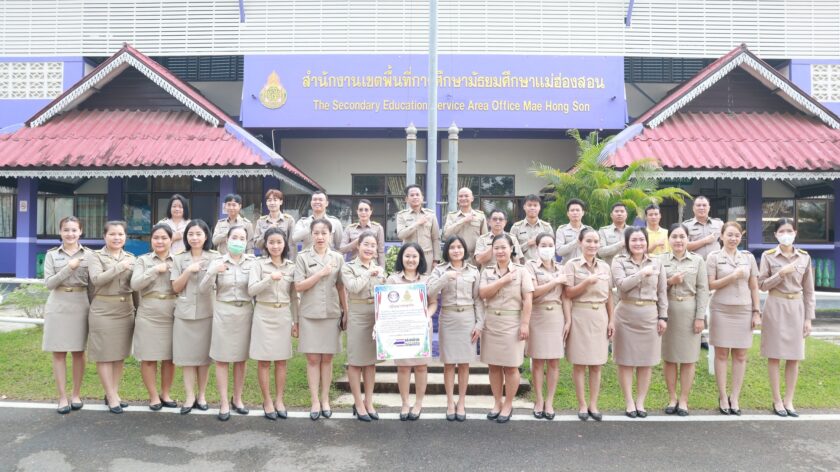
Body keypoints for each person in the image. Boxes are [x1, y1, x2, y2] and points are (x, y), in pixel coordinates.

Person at [758, 218, 815, 418]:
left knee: (794, 356)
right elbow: (762, 285)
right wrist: (780, 274)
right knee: (774, 355)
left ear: (795, 232)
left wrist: (808, 318)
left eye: (789, 230)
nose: (786, 234)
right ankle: (777, 400)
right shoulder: (768, 256)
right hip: (776, 305)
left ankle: (789, 400)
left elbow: (809, 291)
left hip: (796, 308)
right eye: (781, 231)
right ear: (775, 235)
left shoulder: (804, 257)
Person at [611, 227, 668, 418]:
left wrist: (663, 317)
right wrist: (641, 274)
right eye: (634, 240)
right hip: (626, 315)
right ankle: (629, 402)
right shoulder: (619, 261)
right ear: (627, 243)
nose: (638, 243)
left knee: (646, 361)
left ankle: (640, 402)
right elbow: (622, 285)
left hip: (650, 315)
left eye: (642, 239)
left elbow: (662, 292)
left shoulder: (657, 262)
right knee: (625, 361)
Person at [294, 218, 347, 421]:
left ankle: (325, 399)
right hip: (309, 313)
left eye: (324, 233)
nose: (320, 237)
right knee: (313, 359)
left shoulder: (338, 258)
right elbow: (299, 286)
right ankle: (315, 400)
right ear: (311, 235)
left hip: (331, 313)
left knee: (327, 359)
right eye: (316, 233)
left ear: (330, 235)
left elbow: (341, 286)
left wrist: (346, 311)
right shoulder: (302, 257)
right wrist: (320, 273)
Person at [201, 225, 255, 421]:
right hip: (223, 312)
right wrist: (212, 271)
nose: (238, 241)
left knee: (241, 359)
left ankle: (237, 399)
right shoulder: (217, 261)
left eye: (242, 238)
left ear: (246, 242)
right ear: (227, 239)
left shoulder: (253, 262)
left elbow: (256, 289)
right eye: (234, 237)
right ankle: (224, 402)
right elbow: (202, 289)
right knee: (222, 359)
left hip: (245, 313)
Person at [478, 233, 534, 424]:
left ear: (511, 249)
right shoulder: (487, 271)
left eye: (504, 247)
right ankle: (497, 402)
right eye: (497, 248)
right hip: (491, 322)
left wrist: (525, 324)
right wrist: (502, 280)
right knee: (493, 366)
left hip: (513, 323)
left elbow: (528, 299)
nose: (500, 251)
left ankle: (508, 403)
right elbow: (483, 293)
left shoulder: (522, 271)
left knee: (511, 367)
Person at [706, 221, 760, 416]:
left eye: (737, 235)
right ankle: (722, 396)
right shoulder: (713, 257)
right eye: (729, 235)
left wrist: (756, 311)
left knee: (740, 355)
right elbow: (710, 284)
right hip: (721, 309)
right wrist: (733, 276)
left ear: (741, 236)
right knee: (721, 354)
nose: (733, 238)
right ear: (722, 236)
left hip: (744, 310)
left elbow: (754, 286)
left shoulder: (748, 257)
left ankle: (735, 397)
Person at [428, 235, 484, 422]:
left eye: (459, 247)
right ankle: (450, 402)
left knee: (465, 363)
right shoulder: (439, 270)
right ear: (447, 250)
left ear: (464, 249)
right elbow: (429, 292)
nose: (456, 250)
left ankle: (461, 402)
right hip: (448, 319)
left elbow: (478, 299)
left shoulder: (473, 271)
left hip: (467, 319)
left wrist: (479, 324)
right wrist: (445, 278)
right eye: (452, 247)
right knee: (449, 363)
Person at [562, 228, 614, 421]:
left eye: (595, 241)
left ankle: (593, 404)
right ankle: (582, 404)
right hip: (579, 315)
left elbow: (609, 296)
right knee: (579, 363)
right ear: (580, 242)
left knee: (597, 364)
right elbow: (567, 293)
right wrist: (586, 282)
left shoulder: (605, 267)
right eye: (588, 241)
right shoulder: (572, 265)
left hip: (600, 316)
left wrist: (611, 320)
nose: (592, 245)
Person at [248, 227, 299, 420]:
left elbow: (294, 297)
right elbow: (251, 290)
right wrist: (269, 278)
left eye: (279, 242)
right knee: (263, 361)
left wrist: (296, 321)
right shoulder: (258, 264)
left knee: (281, 360)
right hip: (263, 313)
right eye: (271, 242)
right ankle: (267, 400)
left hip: (283, 314)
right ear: (266, 245)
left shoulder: (291, 267)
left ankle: (279, 400)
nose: (275, 246)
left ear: (284, 244)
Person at [659, 224, 709, 416]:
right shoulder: (660, 260)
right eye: (674, 236)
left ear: (688, 239)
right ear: (669, 239)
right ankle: (672, 398)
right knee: (670, 358)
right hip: (668, 311)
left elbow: (703, 289)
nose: (678, 240)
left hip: (689, 311)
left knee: (689, 359)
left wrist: (700, 317)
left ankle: (684, 400)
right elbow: (654, 287)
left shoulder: (697, 260)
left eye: (682, 236)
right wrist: (670, 282)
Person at [42, 216, 91, 414]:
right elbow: (49, 283)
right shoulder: (52, 255)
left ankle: (76, 394)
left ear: (80, 232)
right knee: (59, 352)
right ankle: (62, 397)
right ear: (60, 232)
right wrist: (68, 268)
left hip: (81, 304)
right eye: (66, 230)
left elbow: (94, 283)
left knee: (79, 352)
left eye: (74, 230)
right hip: (58, 304)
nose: (70, 234)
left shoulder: (89, 255)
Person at [86, 220, 136, 414]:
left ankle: (113, 393)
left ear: (126, 236)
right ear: (104, 236)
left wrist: (139, 310)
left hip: (125, 310)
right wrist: (119, 267)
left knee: (119, 355)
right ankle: (111, 395)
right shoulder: (95, 256)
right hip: (103, 310)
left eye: (120, 234)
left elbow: (135, 288)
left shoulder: (131, 257)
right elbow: (97, 279)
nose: (117, 238)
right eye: (112, 234)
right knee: (105, 355)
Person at [387, 243, 438, 421]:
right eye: (407, 256)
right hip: (401, 330)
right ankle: (405, 403)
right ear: (401, 258)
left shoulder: (427, 280)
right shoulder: (392, 280)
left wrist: (427, 316)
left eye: (414, 256)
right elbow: (386, 306)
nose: (411, 260)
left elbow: (433, 303)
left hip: (421, 329)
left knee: (421, 367)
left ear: (420, 259)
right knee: (403, 367)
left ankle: (418, 403)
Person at [130, 224, 178, 411]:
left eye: (164, 238)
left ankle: (165, 394)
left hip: (173, 311)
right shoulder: (143, 260)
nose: (160, 241)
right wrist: (155, 270)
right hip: (149, 312)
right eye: (156, 238)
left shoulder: (179, 260)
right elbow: (135, 284)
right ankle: (153, 396)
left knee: (170, 358)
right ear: (151, 240)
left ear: (171, 240)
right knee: (149, 357)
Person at [171, 219, 216, 414]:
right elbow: (175, 287)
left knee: (204, 358)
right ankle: (189, 396)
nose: (195, 238)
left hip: (208, 312)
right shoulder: (179, 259)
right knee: (188, 358)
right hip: (185, 314)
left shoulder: (215, 257)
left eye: (198, 234)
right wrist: (188, 271)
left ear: (206, 236)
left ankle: (202, 395)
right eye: (191, 234)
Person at [341, 231, 387, 422]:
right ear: (358, 246)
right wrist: (368, 273)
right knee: (355, 361)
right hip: (357, 315)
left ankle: (368, 402)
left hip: (374, 316)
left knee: (370, 362)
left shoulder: (380, 269)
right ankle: (358, 403)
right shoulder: (348, 267)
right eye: (365, 244)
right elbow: (353, 287)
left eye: (373, 245)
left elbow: (386, 292)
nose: (369, 248)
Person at [524, 233, 566, 420]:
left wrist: (568, 320)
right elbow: (533, 293)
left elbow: (565, 297)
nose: (547, 248)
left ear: (555, 247)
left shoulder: (562, 268)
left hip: (556, 316)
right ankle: (539, 400)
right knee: (538, 361)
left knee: (554, 361)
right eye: (543, 245)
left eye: (550, 245)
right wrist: (555, 281)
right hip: (538, 315)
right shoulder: (530, 266)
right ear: (537, 247)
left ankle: (549, 401)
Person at [396, 184, 441, 273]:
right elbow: (401, 235)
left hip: (427, 255)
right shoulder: (402, 215)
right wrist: (417, 223)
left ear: (422, 198)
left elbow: (436, 238)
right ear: (406, 199)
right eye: (412, 195)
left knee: (427, 280)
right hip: (409, 256)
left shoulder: (430, 215)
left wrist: (436, 260)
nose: (415, 197)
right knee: (410, 279)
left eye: (417, 195)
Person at [442, 187, 487, 262]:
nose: (463, 198)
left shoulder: (480, 216)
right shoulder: (452, 216)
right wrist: (463, 220)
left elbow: (485, 238)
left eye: (466, 196)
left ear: (472, 198)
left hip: (474, 258)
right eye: (460, 196)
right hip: (456, 257)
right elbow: (446, 234)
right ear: (457, 199)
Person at [340, 199, 385, 267]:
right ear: (357, 211)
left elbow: (381, 252)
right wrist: (356, 242)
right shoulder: (350, 228)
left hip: (372, 266)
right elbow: (342, 249)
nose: (363, 212)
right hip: (355, 266)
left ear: (371, 211)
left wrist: (382, 269)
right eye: (360, 210)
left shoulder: (378, 228)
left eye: (366, 210)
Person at [253, 189, 296, 260]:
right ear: (266, 203)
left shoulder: (289, 220)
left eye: (275, 200)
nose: (272, 203)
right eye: (269, 200)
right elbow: (257, 245)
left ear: (281, 202)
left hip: (284, 260)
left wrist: (292, 262)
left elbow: (292, 245)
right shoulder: (261, 221)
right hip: (266, 260)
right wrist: (267, 231)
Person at [511, 194, 553, 261]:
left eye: (535, 205)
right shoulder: (516, 227)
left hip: (542, 265)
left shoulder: (547, 227)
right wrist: (527, 244)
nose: (532, 208)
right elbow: (512, 251)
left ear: (539, 207)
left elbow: (552, 249)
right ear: (524, 207)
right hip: (523, 266)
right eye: (529, 205)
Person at [684, 196, 723, 260]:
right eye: (698, 205)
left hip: (716, 262)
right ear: (693, 208)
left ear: (709, 208)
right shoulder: (686, 225)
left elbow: (726, 243)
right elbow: (684, 247)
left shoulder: (719, 224)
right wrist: (705, 241)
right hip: (695, 263)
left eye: (704, 205)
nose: (701, 208)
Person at [555, 198, 593, 263]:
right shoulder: (561, 230)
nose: (575, 212)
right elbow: (559, 251)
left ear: (583, 213)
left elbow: (593, 250)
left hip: (585, 266)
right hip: (567, 266)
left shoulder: (589, 230)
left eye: (577, 210)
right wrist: (576, 242)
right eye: (572, 210)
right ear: (568, 213)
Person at [597, 202, 629, 266]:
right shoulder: (603, 231)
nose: (619, 213)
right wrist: (621, 244)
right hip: (609, 268)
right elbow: (600, 252)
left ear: (626, 215)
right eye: (616, 211)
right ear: (611, 215)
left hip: (630, 268)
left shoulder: (633, 231)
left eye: (622, 211)